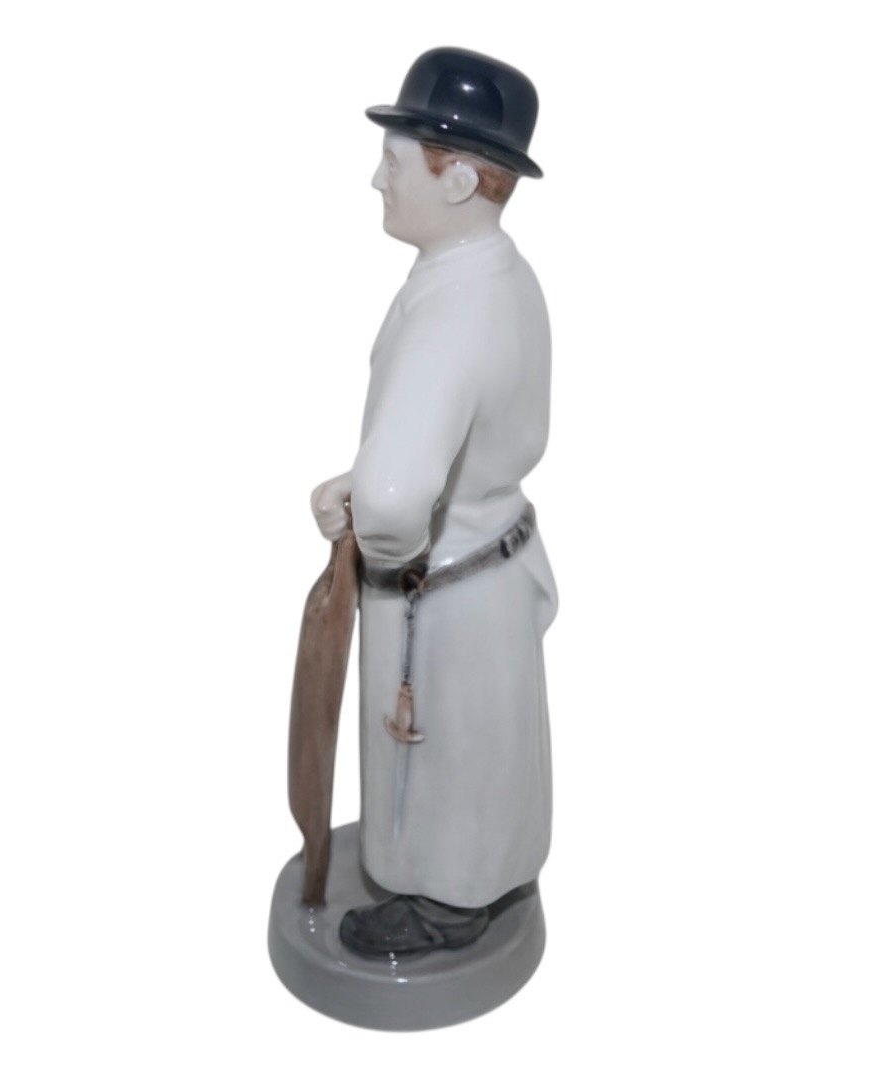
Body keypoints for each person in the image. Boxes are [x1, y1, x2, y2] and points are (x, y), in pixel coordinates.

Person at [308, 48, 557, 958]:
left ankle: (446, 907)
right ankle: (490, 874)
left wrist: (376, 539)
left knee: (446, 758)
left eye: (396, 160)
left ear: (456, 180)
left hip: (440, 589)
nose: (379, 179)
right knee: (489, 752)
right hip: (491, 557)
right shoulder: (498, 274)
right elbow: (459, 439)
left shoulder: (455, 309)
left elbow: (397, 492)